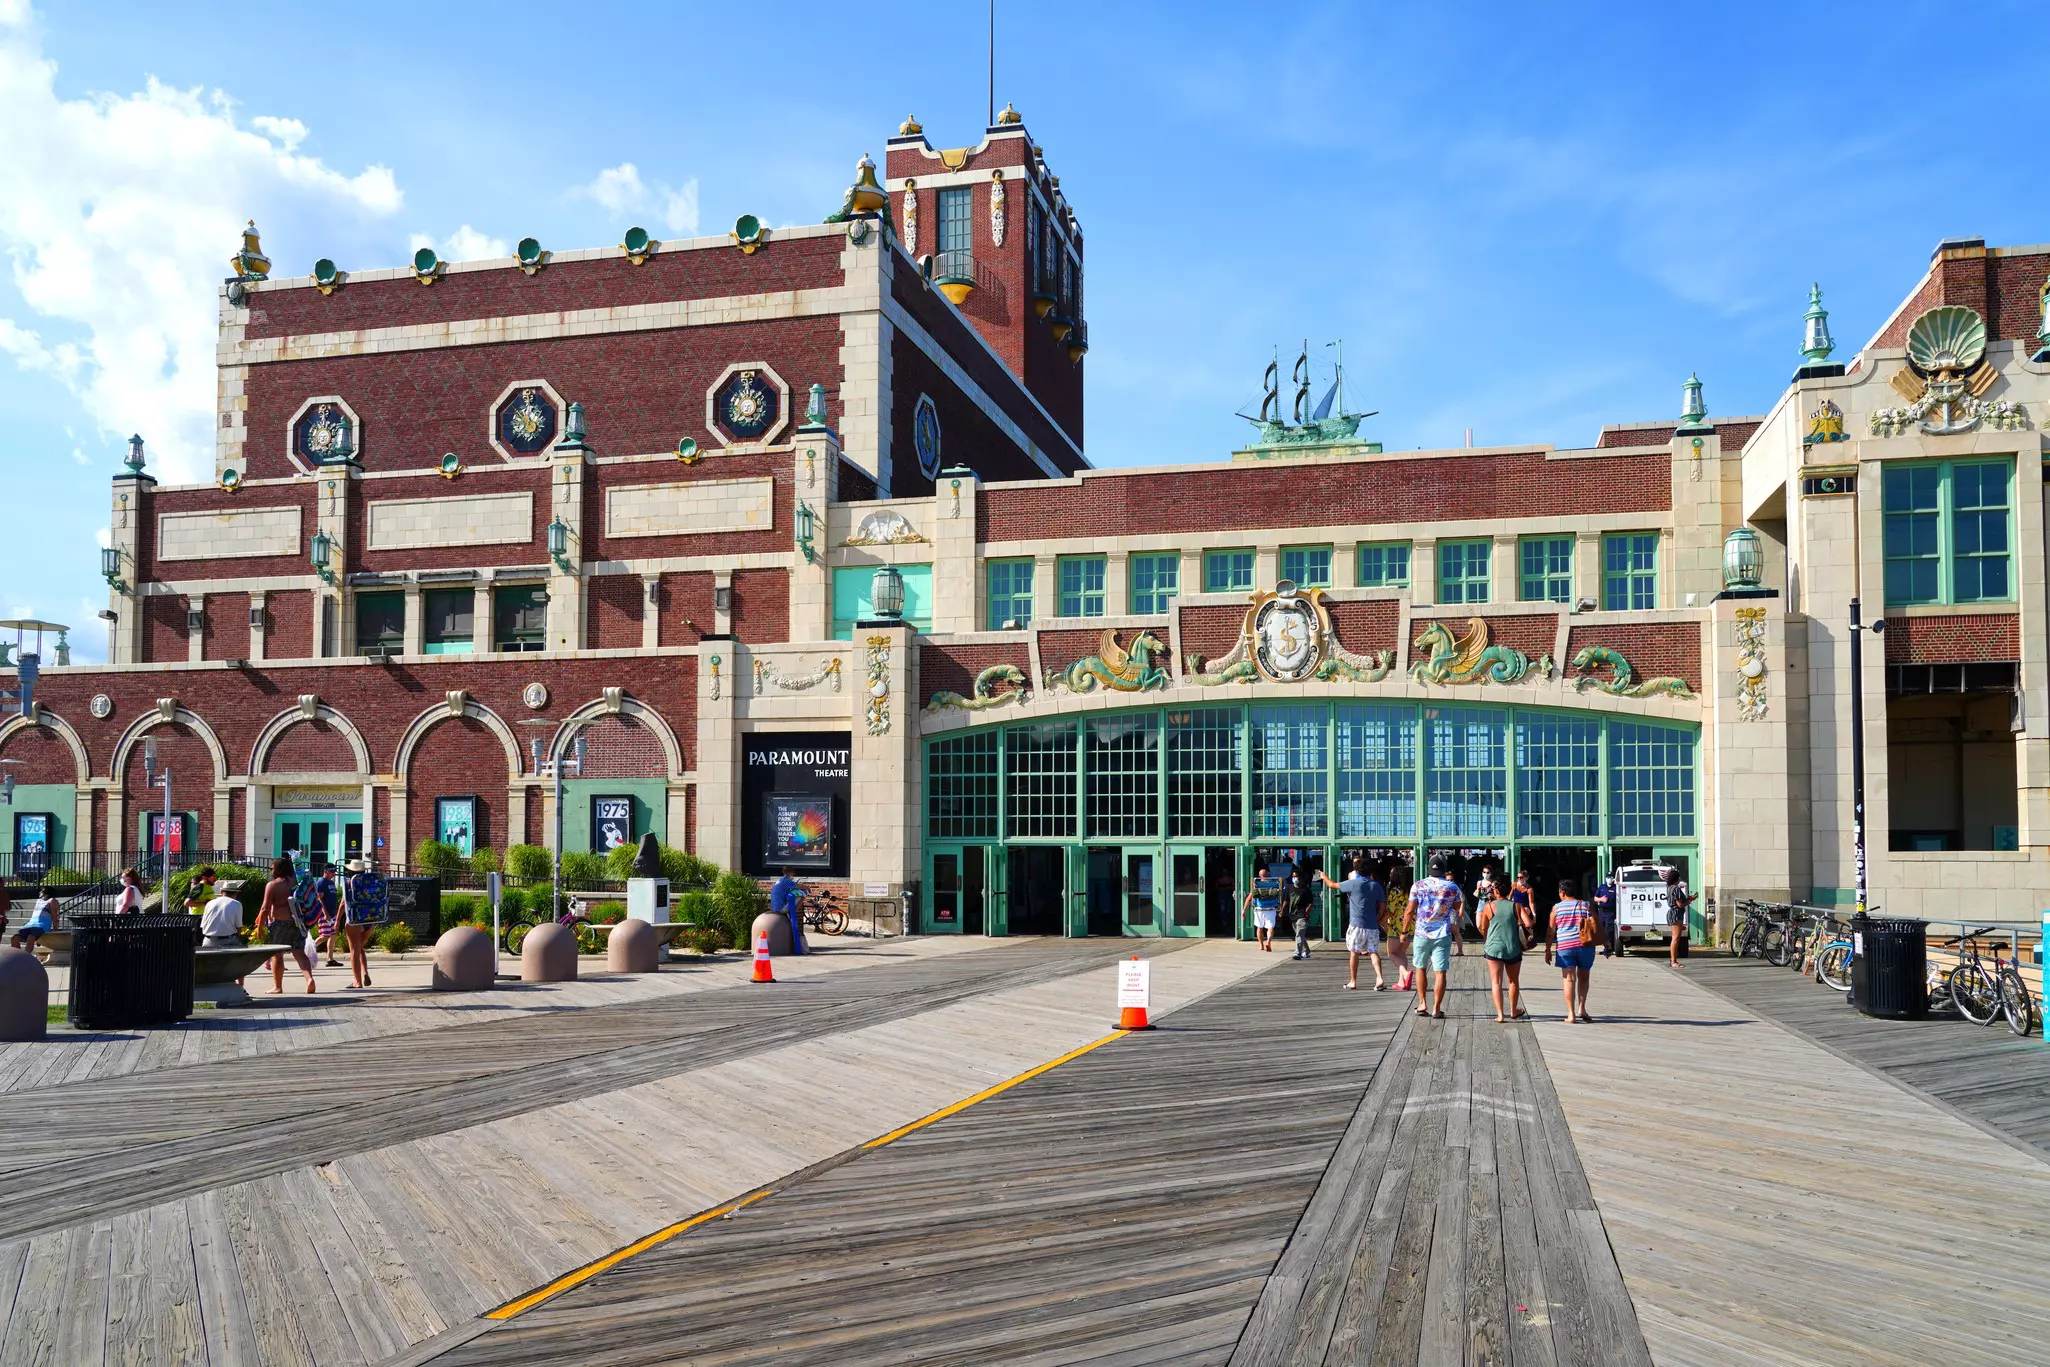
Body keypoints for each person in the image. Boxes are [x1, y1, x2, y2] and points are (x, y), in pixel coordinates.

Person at [1408, 854, 1464, 1018]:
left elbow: (1410, 910)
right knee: (1440, 972)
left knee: (1420, 968)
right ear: (1444, 869)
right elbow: (1457, 906)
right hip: (1442, 933)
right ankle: (1436, 1009)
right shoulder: (1452, 886)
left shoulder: (1418, 885)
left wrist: (1404, 931)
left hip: (1421, 932)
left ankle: (1422, 1003)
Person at [1319, 857, 1386, 990]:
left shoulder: (1353, 883)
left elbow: (1332, 885)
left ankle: (1353, 981)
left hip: (1356, 925)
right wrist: (1378, 918)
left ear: (1357, 871)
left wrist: (1324, 877)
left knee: (1354, 953)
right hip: (1372, 925)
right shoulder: (1376, 885)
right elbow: (1382, 906)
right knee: (1373, 952)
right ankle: (1379, 978)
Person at [257, 857, 316, 995]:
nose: (271, 870)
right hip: (298, 923)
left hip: (280, 923)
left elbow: (265, 908)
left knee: (277, 955)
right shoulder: (296, 882)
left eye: (272, 868)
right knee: (299, 953)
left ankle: (277, 987)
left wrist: (259, 927)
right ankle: (309, 979)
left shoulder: (273, 885)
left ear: (278, 869)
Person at [1479, 885, 1534, 1022]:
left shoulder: (1488, 906)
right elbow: (1528, 923)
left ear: (1496, 891)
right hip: (1512, 947)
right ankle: (1513, 1011)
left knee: (1496, 982)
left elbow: (1483, 927)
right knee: (1513, 981)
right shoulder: (1516, 906)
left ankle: (1500, 1015)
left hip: (1493, 947)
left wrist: (1488, 937)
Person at [1548, 877, 1596, 1023]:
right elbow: (1596, 924)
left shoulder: (1556, 908)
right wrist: (1606, 943)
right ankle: (1582, 1008)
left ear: (1562, 893)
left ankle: (1571, 1014)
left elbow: (1551, 931)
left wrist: (1547, 949)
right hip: (1585, 945)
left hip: (1565, 947)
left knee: (1569, 979)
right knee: (1584, 977)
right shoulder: (1586, 905)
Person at [340, 858, 385, 989]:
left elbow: (343, 904)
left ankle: (357, 981)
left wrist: (336, 921)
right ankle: (364, 972)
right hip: (370, 920)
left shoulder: (349, 883)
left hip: (355, 920)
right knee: (360, 948)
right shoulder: (369, 883)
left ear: (350, 871)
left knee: (354, 950)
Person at [1242, 863, 1282, 952]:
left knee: (1259, 927)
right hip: (1271, 908)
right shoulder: (1274, 884)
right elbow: (1280, 897)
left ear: (1260, 876)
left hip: (1259, 909)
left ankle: (1261, 945)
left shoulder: (1257, 884)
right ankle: (1268, 941)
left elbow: (1249, 899)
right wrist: (1281, 908)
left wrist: (1244, 910)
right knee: (1270, 927)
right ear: (1268, 875)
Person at [769, 868, 808, 955]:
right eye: (793, 873)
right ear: (788, 873)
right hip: (781, 908)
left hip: (775, 908)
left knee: (795, 895)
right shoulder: (786, 881)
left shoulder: (780, 881)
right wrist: (807, 888)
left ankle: (792, 910)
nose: (794, 875)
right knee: (803, 895)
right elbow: (799, 886)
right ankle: (793, 911)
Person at [1663, 865, 1695, 967]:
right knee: (1676, 938)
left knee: (1675, 938)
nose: (1680, 879)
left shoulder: (1669, 888)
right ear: (1676, 878)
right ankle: (1673, 961)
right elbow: (1680, 904)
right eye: (1679, 877)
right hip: (1676, 914)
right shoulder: (1676, 889)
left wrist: (1688, 899)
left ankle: (1673, 960)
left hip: (1672, 913)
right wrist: (1689, 900)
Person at [199, 881, 243, 949]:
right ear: (236, 894)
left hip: (208, 940)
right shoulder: (237, 904)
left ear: (221, 892)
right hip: (228, 941)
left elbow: (203, 925)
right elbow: (238, 928)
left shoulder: (209, 903)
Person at [1288, 861, 1318, 960]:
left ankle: (1298, 953)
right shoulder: (1290, 888)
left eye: (1296, 877)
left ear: (1301, 878)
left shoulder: (1306, 890)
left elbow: (1310, 902)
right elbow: (1285, 900)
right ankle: (1307, 950)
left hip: (1302, 914)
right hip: (1293, 914)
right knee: (1299, 934)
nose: (1295, 879)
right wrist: (1282, 910)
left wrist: (1307, 910)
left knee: (1299, 934)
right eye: (1293, 877)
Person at [1591, 872, 1618, 957]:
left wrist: (1618, 883)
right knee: (1601, 931)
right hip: (1601, 912)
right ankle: (1606, 947)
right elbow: (1595, 898)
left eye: (1611, 877)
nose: (1609, 879)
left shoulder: (1616, 888)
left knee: (1609, 931)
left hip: (1611, 912)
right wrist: (1601, 899)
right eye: (1608, 877)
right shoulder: (1602, 887)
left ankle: (1608, 949)